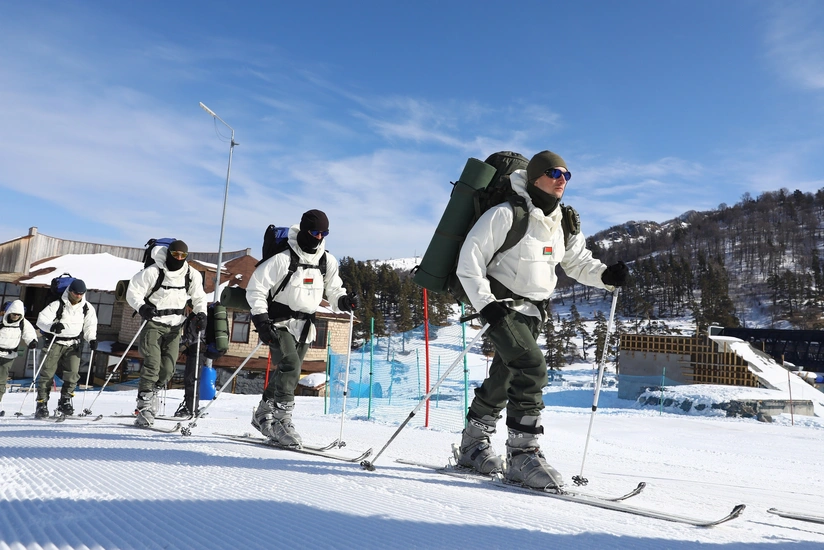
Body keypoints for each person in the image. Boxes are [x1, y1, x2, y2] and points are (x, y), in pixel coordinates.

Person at [455, 150, 629, 489]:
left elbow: (577, 262)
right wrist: (485, 304)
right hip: (501, 306)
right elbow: (469, 259)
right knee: (532, 367)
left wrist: (606, 274)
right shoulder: (505, 214)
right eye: (554, 172)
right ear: (535, 177)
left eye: (566, 174)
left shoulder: (563, 221)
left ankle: (472, 445)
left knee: (507, 375)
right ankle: (522, 455)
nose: (562, 179)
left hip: (534, 312)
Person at [246, 209, 357, 448]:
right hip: (278, 322)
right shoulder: (283, 258)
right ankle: (281, 421)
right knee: (290, 365)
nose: (319, 237)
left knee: (289, 372)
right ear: (305, 230)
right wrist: (261, 321)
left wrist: (343, 301)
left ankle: (263, 412)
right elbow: (255, 288)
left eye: (324, 233)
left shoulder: (327, 261)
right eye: (315, 232)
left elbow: (334, 290)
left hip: (306, 324)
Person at [126, 240, 207, 427]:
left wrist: (201, 313)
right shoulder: (154, 272)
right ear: (169, 253)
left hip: (175, 327)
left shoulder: (190, 274)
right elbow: (133, 291)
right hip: (154, 323)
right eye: (175, 254)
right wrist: (142, 307)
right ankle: (144, 405)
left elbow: (199, 296)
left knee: (168, 369)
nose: (178, 258)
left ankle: (152, 392)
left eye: (182, 255)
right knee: (152, 363)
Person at [35, 279, 98, 418]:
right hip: (55, 342)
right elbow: (41, 320)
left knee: (73, 373)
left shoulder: (87, 308)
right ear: (70, 291)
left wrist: (91, 338)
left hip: (73, 344)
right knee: (47, 373)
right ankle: (42, 403)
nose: (78, 296)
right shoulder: (57, 305)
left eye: (81, 293)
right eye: (76, 293)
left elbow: (90, 325)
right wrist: (52, 327)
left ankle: (65, 401)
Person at [0, 300, 37, 415]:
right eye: (14, 314)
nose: (16, 316)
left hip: (9, 356)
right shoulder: (1, 321)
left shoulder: (23, 323)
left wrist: (32, 341)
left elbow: (29, 333)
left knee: (1, 382)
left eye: (18, 314)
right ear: (9, 312)